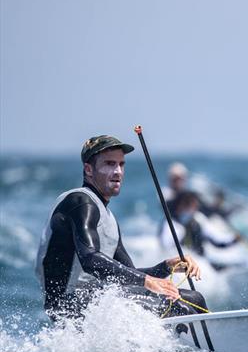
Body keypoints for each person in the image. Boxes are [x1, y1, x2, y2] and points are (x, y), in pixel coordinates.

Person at [35, 135, 208, 320]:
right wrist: (147, 281)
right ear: (88, 169)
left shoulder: (107, 217)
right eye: (109, 164)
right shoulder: (80, 202)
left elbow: (127, 274)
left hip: (95, 299)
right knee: (181, 308)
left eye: (121, 164)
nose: (118, 171)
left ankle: (213, 337)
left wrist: (166, 267)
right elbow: (90, 259)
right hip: (68, 307)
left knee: (194, 298)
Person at [161, 191, 241, 267]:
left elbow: (217, 241)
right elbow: (166, 250)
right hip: (181, 266)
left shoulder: (198, 219)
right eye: (192, 207)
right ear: (180, 206)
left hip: (202, 262)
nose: (194, 210)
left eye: (196, 207)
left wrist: (234, 240)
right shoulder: (170, 225)